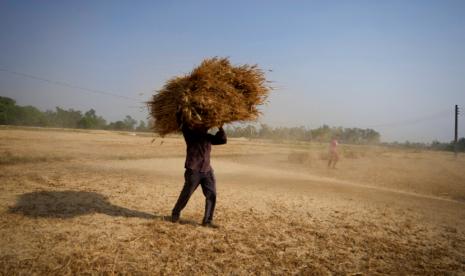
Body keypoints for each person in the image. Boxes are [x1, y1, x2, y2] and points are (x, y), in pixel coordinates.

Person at [171, 123, 227, 228]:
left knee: (212, 194)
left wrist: (220, 127)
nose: (205, 126)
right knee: (186, 193)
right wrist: (182, 112)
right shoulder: (190, 135)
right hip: (193, 170)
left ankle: (207, 221)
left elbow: (223, 140)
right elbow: (183, 124)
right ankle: (175, 213)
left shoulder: (208, 137)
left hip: (207, 170)